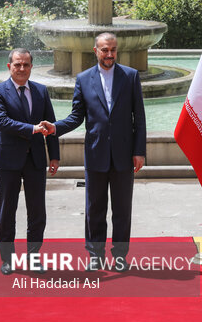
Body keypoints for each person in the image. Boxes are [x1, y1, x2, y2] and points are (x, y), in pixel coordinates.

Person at [41, 32, 146, 272]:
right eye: (105, 50)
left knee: (122, 210)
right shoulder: (83, 78)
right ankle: (95, 255)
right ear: (95, 50)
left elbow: (139, 117)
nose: (109, 54)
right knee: (94, 209)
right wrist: (56, 128)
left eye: (113, 50)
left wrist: (139, 150)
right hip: (96, 154)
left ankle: (120, 256)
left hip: (123, 155)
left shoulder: (130, 77)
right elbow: (77, 116)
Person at [0, 48, 60, 275]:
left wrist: (55, 155)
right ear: (9, 66)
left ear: (31, 67)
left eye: (26, 65)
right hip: (8, 160)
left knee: (37, 212)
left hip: (36, 160)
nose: (22, 69)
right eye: (17, 64)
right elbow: (2, 122)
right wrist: (32, 129)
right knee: (7, 211)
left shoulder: (41, 91)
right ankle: (7, 260)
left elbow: (51, 125)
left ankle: (33, 257)